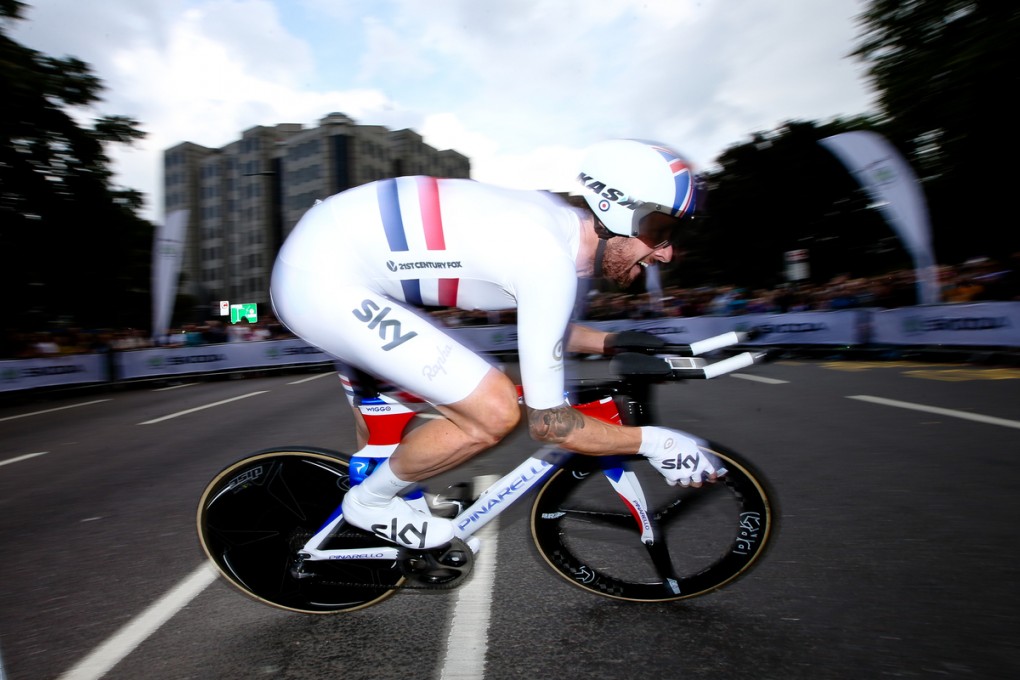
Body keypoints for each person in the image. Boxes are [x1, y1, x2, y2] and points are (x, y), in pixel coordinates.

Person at [270, 138, 723, 550]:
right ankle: (369, 505)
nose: (666, 252)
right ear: (617, 209)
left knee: (400, 429)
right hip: (323, 282)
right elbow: (551, 426)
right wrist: (655, 443)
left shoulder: (558, 230)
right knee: (495, 410)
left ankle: (379, 491)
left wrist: (613, 341)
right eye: (660, 230)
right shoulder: (547, 260)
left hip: (338, 261)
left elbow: (542, 323)